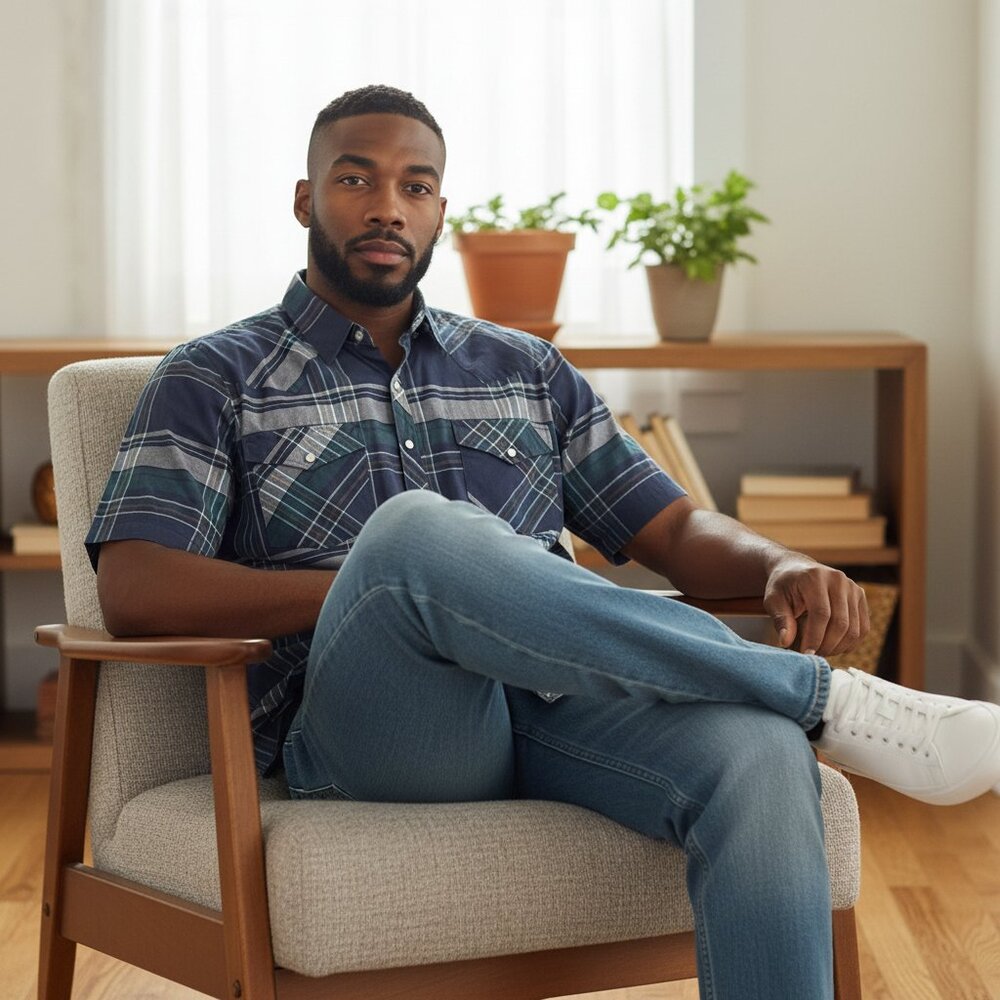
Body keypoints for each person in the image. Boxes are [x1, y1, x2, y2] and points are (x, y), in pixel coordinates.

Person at [87, 84, 1000, 999]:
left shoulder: (525, 367)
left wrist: (780, 562)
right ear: (305, 200)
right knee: (413, 533)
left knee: (758, 758)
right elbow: (135, 587)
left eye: (415, 186)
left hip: (561, 708)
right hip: (380, 731)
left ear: (440, 211)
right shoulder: (215, 376)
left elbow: (673, 527)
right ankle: (826, 698)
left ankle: (799, 714)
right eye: (356, 180)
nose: (388, 207)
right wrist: (388, 588)